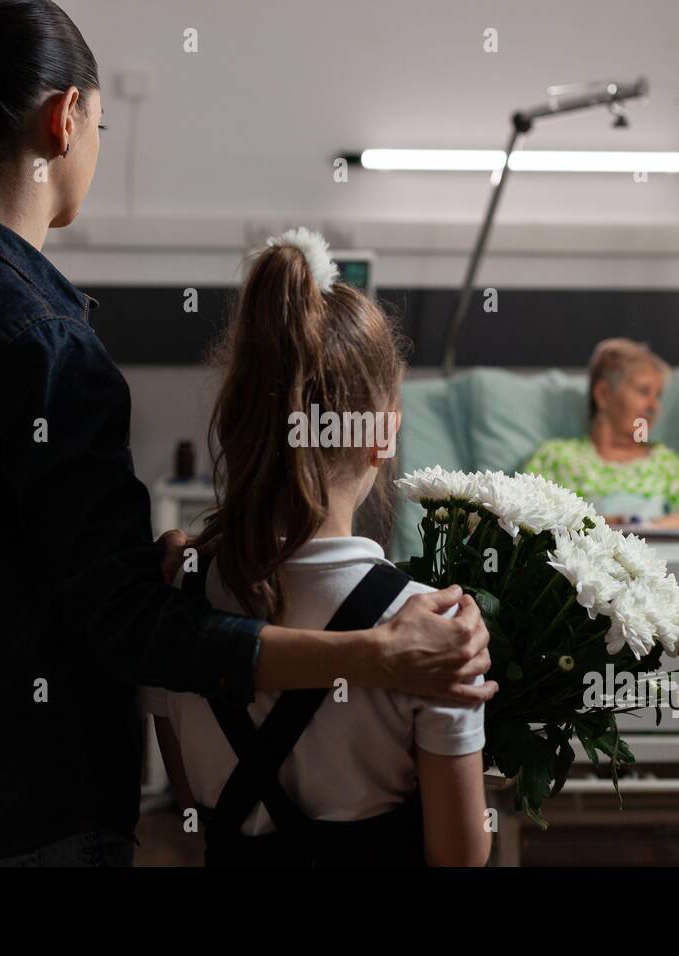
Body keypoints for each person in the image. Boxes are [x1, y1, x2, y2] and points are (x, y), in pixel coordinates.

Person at [0, 0, 493, 868]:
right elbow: (130, 633)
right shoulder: (47, 343)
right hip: (28, 828)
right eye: (100, 123)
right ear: (64, 118)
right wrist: (372, 655)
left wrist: (147, 566)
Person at [142, 229, 491, 868]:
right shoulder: (433, 632)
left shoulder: (177, 603)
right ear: (382, 436)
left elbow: (190, 800)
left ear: (239, 419)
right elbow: (459, 853)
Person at [523, 338, 679, 529]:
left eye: (658, 396)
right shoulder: (557, 457)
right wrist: (595, 525)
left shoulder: (665, 462)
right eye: (644, 392)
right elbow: (521, 516)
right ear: (603, 394)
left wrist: (647, 527)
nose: (654, 406)